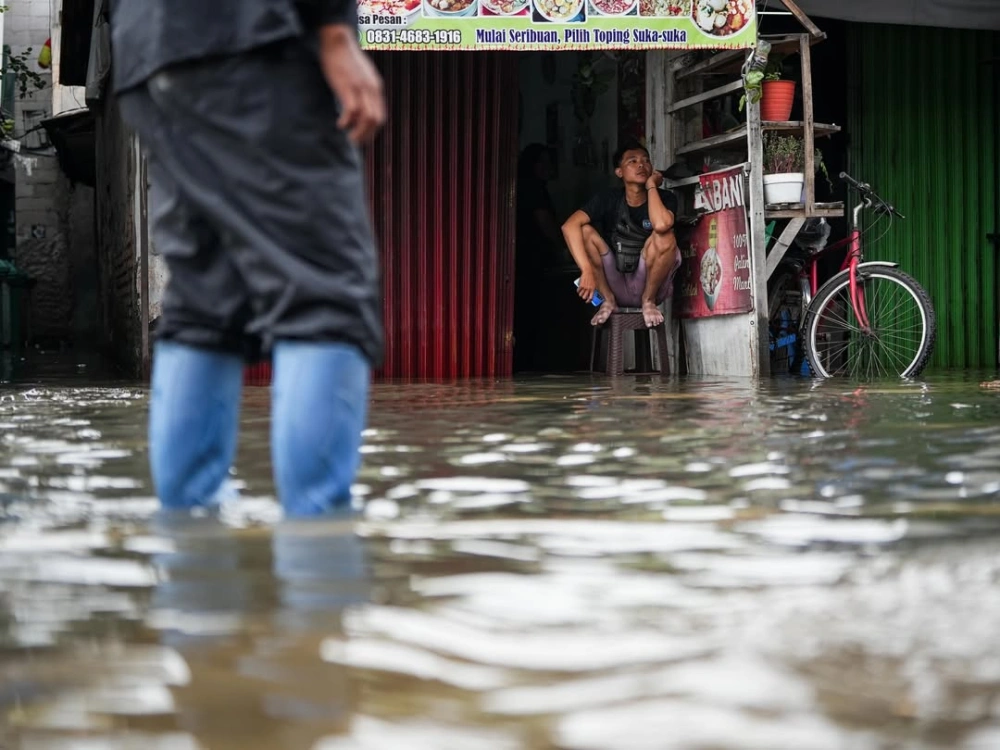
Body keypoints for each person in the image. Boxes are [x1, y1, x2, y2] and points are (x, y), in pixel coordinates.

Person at [109, 0, 386, 517]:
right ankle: (321, 554)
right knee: (322, 291)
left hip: (148, 51)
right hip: (254, 36)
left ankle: (193, 546)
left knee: (205, 301)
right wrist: (331, 28)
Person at [562, 142, 681, 329]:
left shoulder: (665, 198)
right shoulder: (608, 198)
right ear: (619, 172)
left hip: (650, 285)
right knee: (584, 231)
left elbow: (661, 224)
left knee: (665, 235)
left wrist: (651, 187)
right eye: (632, 161)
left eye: (646, 161)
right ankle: (607, 301)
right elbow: (569, 226)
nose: (641, 165)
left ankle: (648, 302)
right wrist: (586, 270)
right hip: (614, 283)